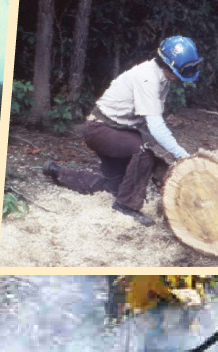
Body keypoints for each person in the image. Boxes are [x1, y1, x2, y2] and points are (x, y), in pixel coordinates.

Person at [74, 36, 205, 228]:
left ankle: (55, 172)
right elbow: (156, 126)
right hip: (100, 130)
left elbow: (151, 123)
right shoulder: (147, 78)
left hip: (117, 129)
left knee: (113, 185)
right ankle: (125, 206)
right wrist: (182, 155)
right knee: (144, 153)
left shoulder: (164, 78)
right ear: (169, 65)